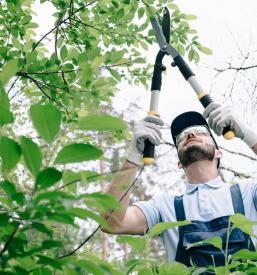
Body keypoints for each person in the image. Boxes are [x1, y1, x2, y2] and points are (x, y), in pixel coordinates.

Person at [101, 103, 257, 269]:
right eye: (181, 138)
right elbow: (110, 222)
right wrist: (133, 155)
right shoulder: (164, 207)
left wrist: (248, 134)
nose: (190, 134)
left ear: (219, 153)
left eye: (201, 132)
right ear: (179, 163)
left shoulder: (247, 193)